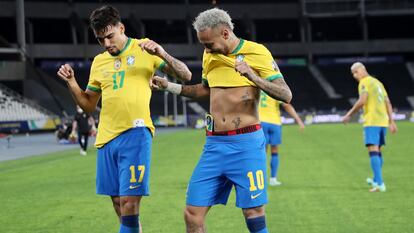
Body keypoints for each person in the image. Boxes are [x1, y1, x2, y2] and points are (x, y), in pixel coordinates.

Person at [151, 8, 292, 233]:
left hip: (246, 145)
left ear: (225, 34)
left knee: (253, 214)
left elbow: (286, 94)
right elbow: (205, 90)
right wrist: (170, 87)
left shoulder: (257, 52)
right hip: (214, 146)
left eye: (209, 44)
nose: (206, 49)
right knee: (192, 213)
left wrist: (252, 77)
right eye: (203, 44)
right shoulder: (210, 56)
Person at [57, 5, 191, 233]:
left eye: (110, 36)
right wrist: (71, 83)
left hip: (136, 133)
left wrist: (161, 52)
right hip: (106, 138)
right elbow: (88, 104)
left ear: (122, 28)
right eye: (101, 40)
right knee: (119, 205)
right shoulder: (99, 62)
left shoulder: (144, 48)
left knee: (130, 204)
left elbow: (186, 75)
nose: (107, 44)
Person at [342, 62, 397, 193]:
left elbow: (362, 101)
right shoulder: (378, 83)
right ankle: (376, 180)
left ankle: (380, 183)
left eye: (356, 72)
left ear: (362, 69)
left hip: (372, 121)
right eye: (353, 74)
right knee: (378, 151)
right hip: (383, 121)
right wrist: (391, 121)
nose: (355, 76)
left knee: (373, 151)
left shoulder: (364, 82)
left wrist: (348, 115)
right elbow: (387, 102)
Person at [258, 91, 305, 186]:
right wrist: (298, 119)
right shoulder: (274, 90)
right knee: (274, 151)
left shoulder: (258, 89)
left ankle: (260, 179)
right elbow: (286, 105)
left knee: (262, 152)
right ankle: (273, 179)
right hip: (275, 123)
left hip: (261, 122)